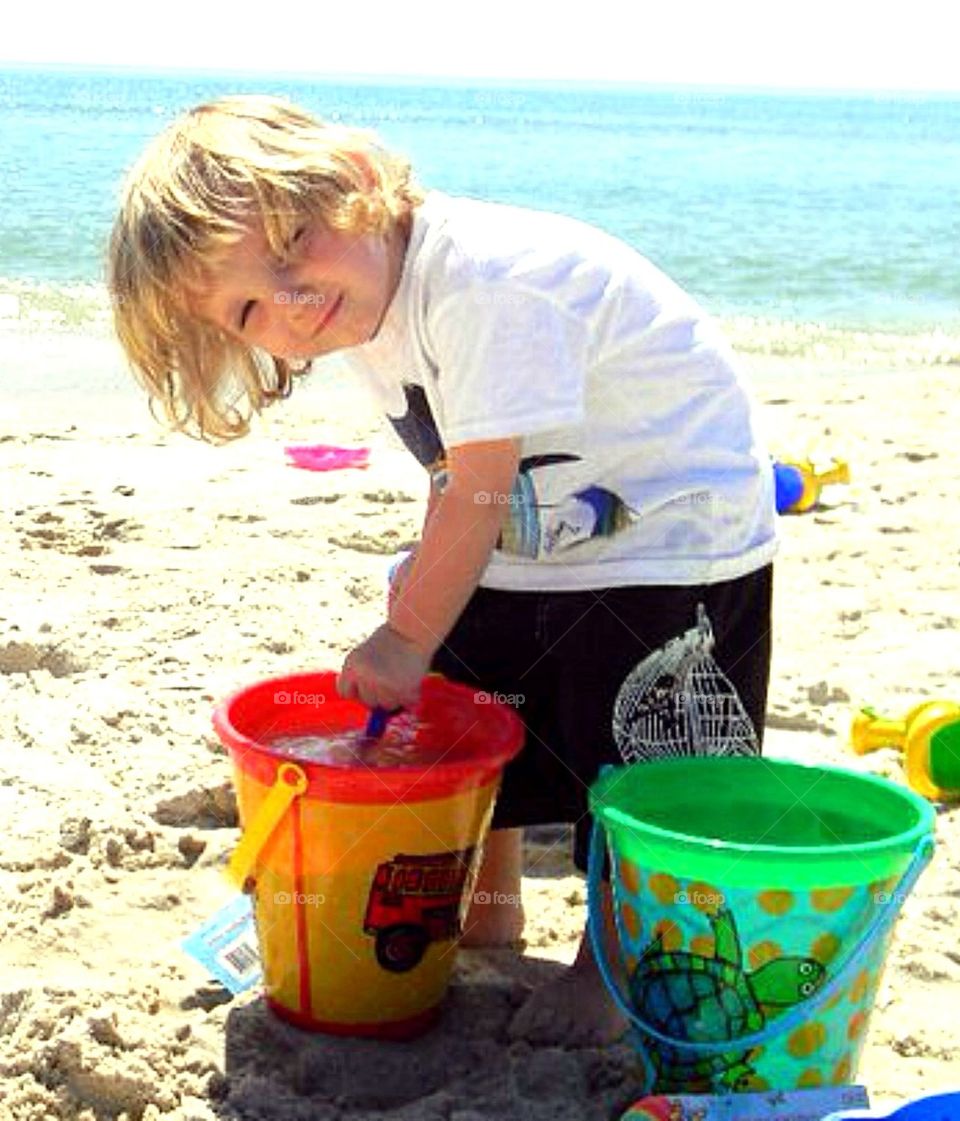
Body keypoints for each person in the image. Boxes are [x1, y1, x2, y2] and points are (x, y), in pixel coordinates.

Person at [108, 94, 777, 1048]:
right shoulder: (365, 308)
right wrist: (422, 607)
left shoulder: (477, 283)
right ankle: (493, 908)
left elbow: (479, 488)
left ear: (357, 181)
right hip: (546, 524)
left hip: (671, 527)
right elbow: (452, 474)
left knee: (638, 759)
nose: (289, 302)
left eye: (293, 245)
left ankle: (612, 964)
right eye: (249, 307)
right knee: (474, 697)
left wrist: (404, 634)